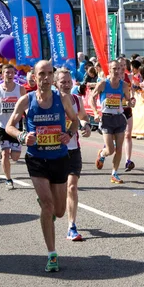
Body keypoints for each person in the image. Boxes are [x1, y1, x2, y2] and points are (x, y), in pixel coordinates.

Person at [5, 60, 79, 272]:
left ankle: (47, 201)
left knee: (60, 211)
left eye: (49, 74)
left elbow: (75, 121)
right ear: (34, 77)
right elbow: (10, 126)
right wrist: (21, 136)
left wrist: (69, 134)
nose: (46, 78)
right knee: (47, 207)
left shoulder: (63, 98)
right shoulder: (26, 100)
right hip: (37, 159)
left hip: (59, 158)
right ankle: (52, 254)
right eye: (42, 74)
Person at [54, 67, 91, 241]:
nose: (67, 85)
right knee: (57, 190)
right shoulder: (52, 101)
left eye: (69, 81)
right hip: (55, 151)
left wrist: (86, 125)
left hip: (73, 149)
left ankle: (71, 227)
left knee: (72, 187)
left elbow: (83, 116)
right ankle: (52, 207)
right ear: (56, 84)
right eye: (63, 82)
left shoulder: (77, 99)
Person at [89, 60, 132, 184]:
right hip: (106, 119)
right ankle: (102, 153)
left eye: (119, 68)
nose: (118, 71)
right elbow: (92, 97)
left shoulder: (124, 85)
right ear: (109, 70)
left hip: (119, 118)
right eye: (114, 69)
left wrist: (131, 102)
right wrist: (96, 113)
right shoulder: (103, 84)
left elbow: (128, 101)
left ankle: (114, 173)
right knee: (110, 150)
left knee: (119, 149)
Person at [0, 64, 26, 189]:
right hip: (1, 125)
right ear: (2, 74)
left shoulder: (20, 89)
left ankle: (6, 153)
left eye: (11, 72)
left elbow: (26, 108)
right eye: (7, 73)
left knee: (15, 157)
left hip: (16, 127)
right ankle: (8, 179)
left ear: (14, 74)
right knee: (5, 153)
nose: (9, 75)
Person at [118, 57, 136, 172]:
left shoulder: (129, 77)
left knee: (128, 135)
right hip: (116, 110)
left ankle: (128, 161)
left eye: (124, 65)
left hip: (127, 109)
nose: (123, 67)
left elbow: (132, 91)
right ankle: (104, 151)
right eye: (120, 65)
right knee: (116, 138)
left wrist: (133, 99)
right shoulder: (112, 79)